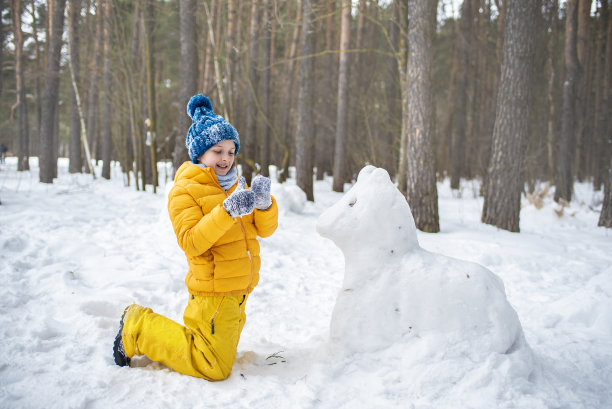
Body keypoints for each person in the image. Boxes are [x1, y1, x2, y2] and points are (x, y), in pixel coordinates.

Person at [112, 94, 279, 380]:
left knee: (213, 352)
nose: (226, 158)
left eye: (230, 151)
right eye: (217, 151)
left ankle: (144, 328)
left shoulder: (237, 186)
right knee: (212, 364)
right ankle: (138, 327)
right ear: (199, 153)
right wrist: (226, 212)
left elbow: (264, 230)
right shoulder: (185, 190)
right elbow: (191, 241)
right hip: (213, 292)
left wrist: (264, 205)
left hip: (238, 290)